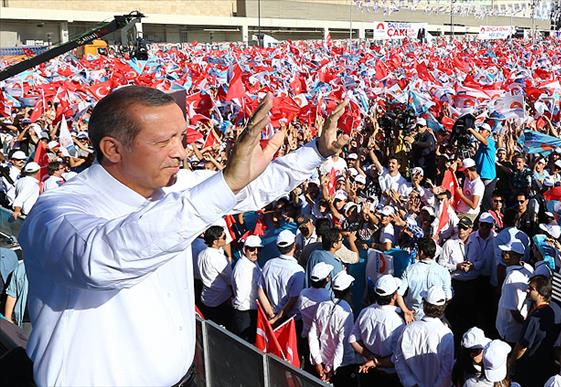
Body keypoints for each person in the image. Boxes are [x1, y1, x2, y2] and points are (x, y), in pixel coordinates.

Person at [19, 86, 348, 385]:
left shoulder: (172, 189)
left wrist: (316, 151)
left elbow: (249, 186)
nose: (181, 153)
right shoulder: (57, 213)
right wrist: (224, 186)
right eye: (164, 142)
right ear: (113, 149)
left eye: (182, 138)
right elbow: (101, 260)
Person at [393, 285, 455, 387]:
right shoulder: (446, 334)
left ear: (424, 305)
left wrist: (411, 383)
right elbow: (446, 370)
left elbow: (399, 360)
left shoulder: (408, 329)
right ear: (443, 308)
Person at [350, 274, 406, 386]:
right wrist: (375, 362)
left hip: (367, 370)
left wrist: (370, 357)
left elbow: (353, 340)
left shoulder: (365, 312)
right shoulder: (398, 322)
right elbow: (397, 357)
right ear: (394, 296)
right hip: (389, 376)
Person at [509, 275, 559, 387]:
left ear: (541, 294)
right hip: (542, 364)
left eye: (532, 289)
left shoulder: (535, 318)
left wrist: (511, 361)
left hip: (529, 366)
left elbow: (522, 347)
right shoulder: (550, 311)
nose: (528, 290)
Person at [309, 271, 357, 385]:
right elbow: (342, 344)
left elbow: (313, 335)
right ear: (348, 290)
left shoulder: (322, 305)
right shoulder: (346, 311)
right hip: (342, 364)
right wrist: (330, 368)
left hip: (324, 359)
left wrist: (318, 362)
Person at [231, 235, 276, 342]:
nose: (255, 252)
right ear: (245, 249)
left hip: (250, 312)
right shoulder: (242, 268)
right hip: (244, 314)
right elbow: (240, 297)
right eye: (252, 249)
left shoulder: (252, 263)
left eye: (258, 249)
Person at [400, 238, 452, 320]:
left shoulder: (410, 269)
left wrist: (406, 311)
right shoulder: (443, 271)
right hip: (435, 315)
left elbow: (399, 294)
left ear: (421, 252)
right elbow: (448, 297)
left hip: (413, 315)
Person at [262, 229, 305, 320]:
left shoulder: (268, 264)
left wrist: (271, 314)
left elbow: (260, 291)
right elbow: (292, 300)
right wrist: (276, 318)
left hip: (273, 314)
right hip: (291, 320)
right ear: (294, 246)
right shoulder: (298, 270)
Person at [496, 240, 532, 344]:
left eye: (506, 253)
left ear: (515, 256)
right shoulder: (527, 267)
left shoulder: (512, 278)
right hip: (516, 329)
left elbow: (514, 311)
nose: (503, 255)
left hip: (508, 331)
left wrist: (525, 325)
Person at [198, 225, 233, 327]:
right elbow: (230, 279)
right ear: (215, 242)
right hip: (220, 299)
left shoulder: (201, 254)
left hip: (207, 297)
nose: (226, 239)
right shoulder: (218, 258)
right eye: (224, 237)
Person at [455, 158, 485, 222]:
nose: (463, 173)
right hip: (460, 211)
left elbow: (474, 205)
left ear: (467, 170)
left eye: (464, 171)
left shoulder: (478, 185)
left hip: (468, 215)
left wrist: (461, 195)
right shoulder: (467, 178)